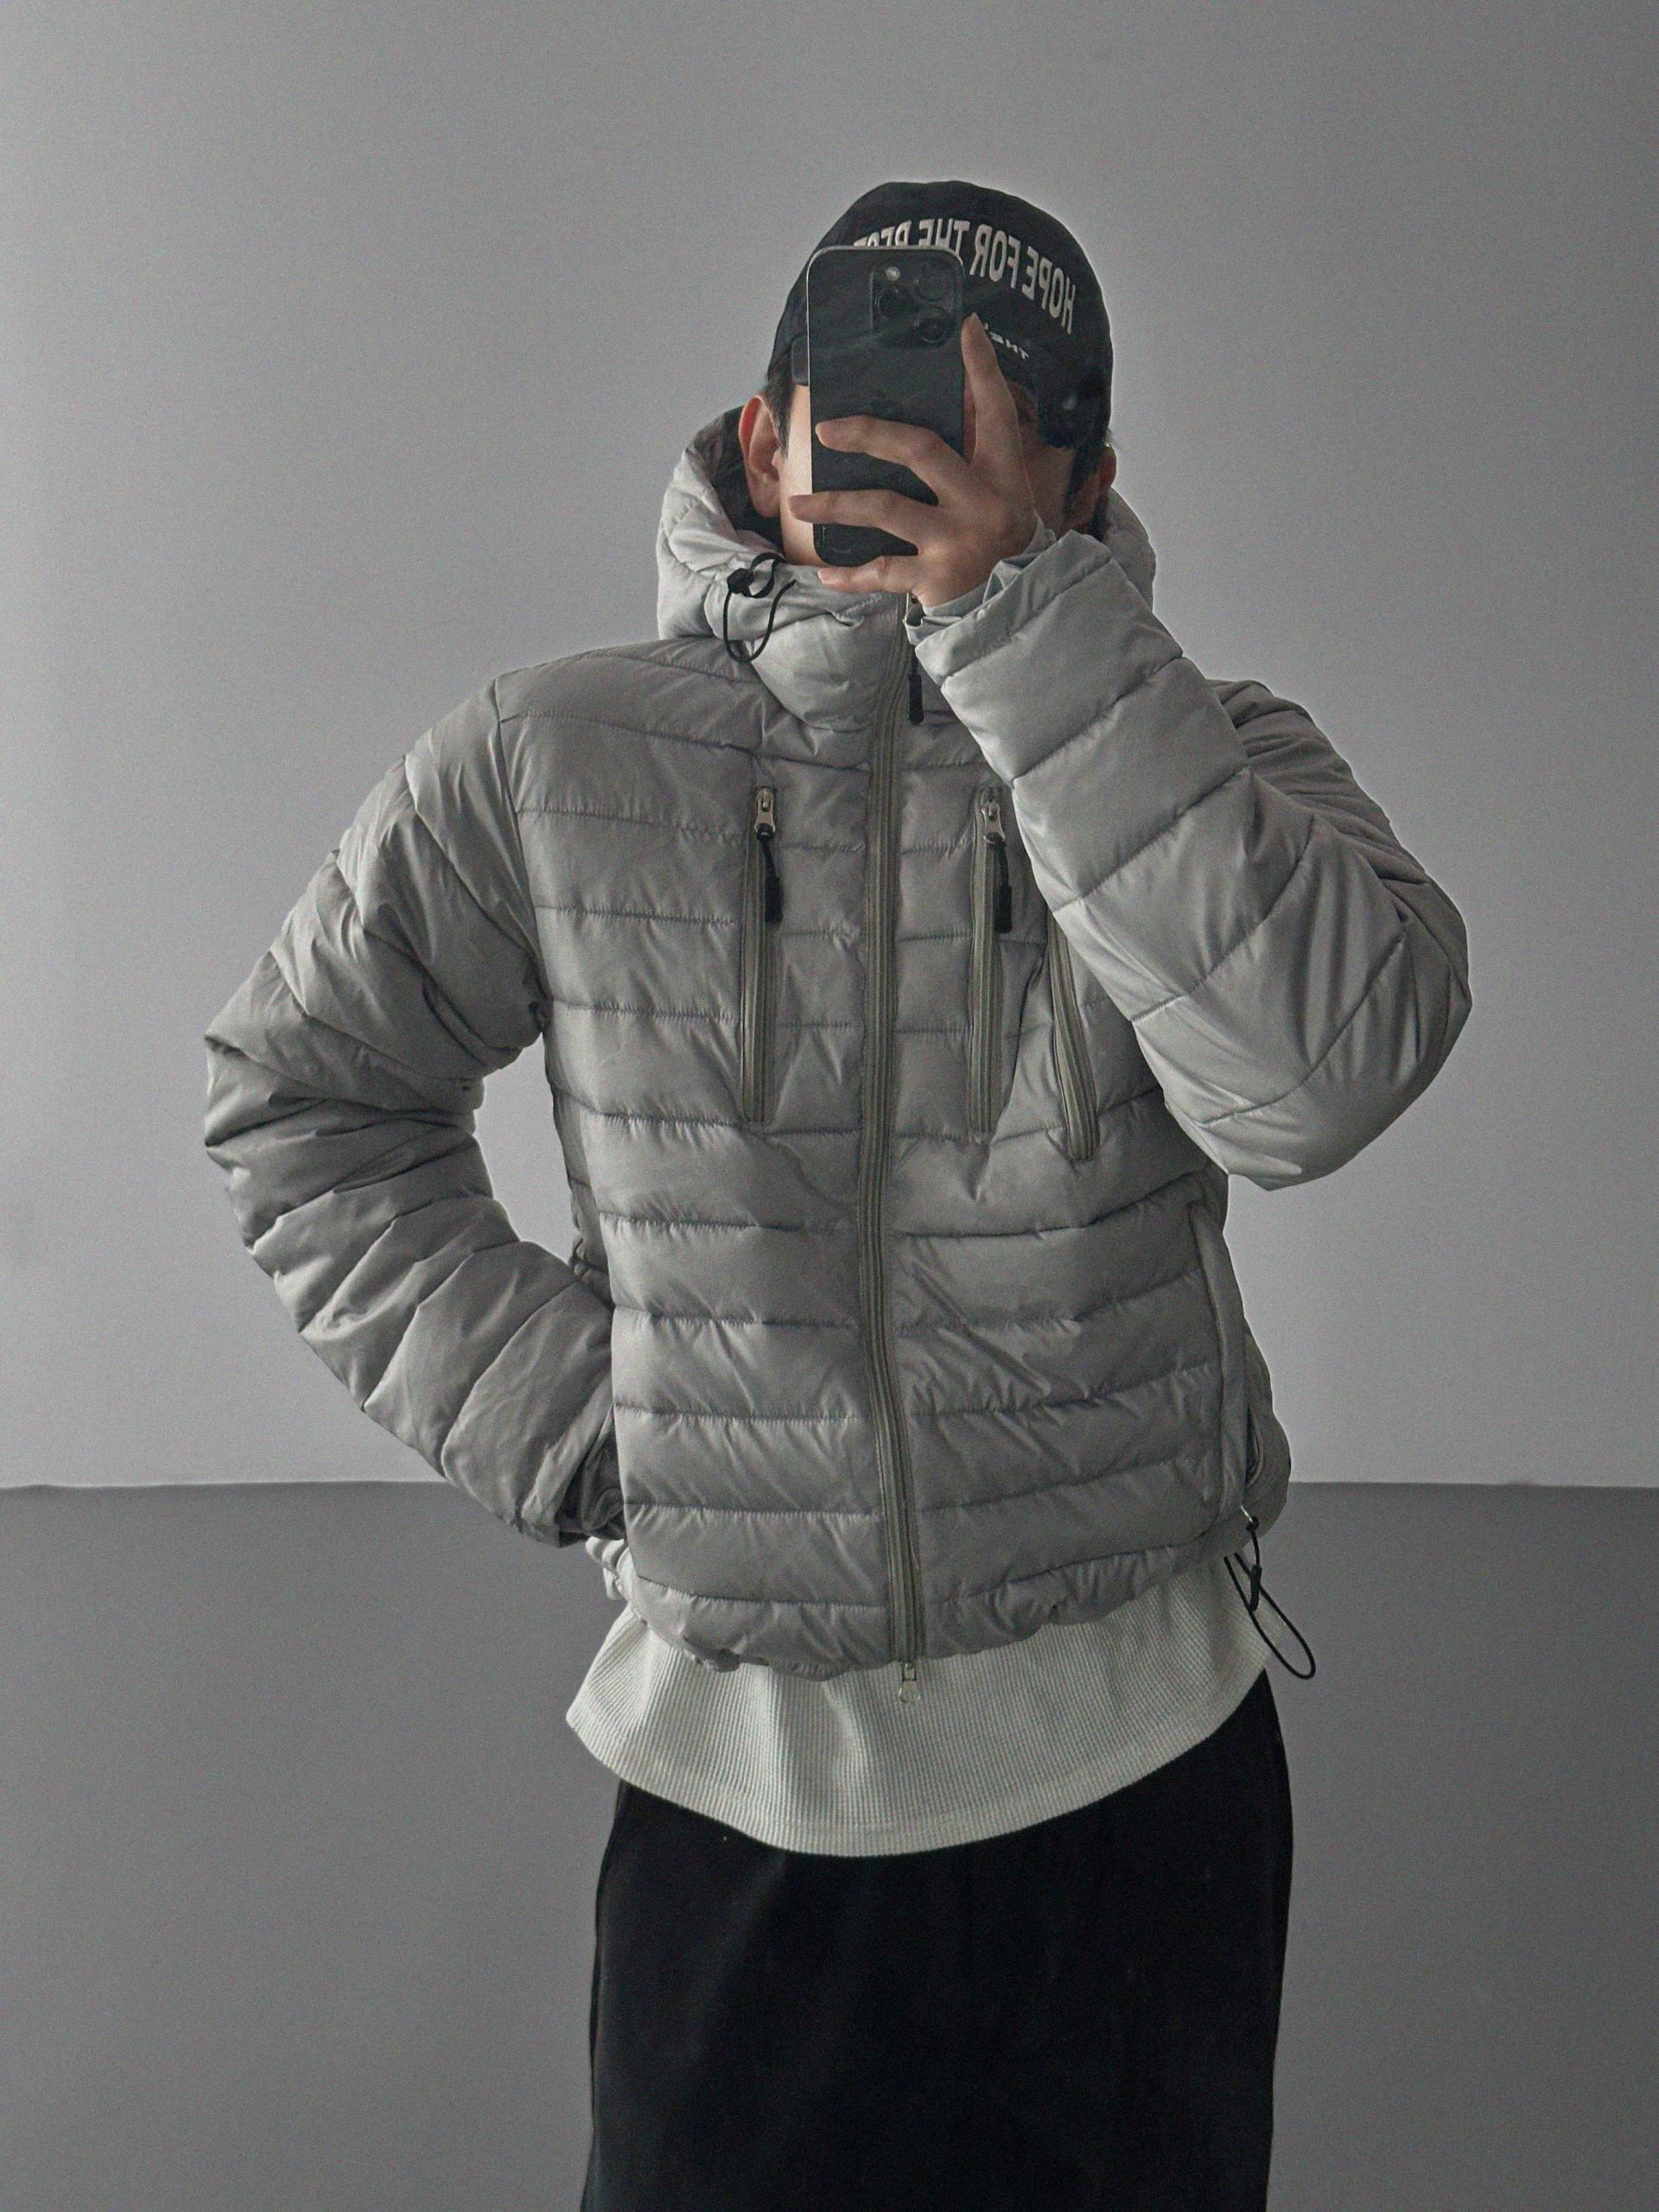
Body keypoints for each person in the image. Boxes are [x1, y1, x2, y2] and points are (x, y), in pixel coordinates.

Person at [202, 178, 1471, 2209]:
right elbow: (300, 1099)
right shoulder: (556, 755)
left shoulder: (1214, 755)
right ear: (763, 427)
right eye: (878, 390)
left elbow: (1320, 1080)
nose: (927, 441)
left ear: (1088, 475)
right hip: (748, 1810)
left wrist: (1029, 635)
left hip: (1149, 1787)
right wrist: (598, 1427)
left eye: (991, 410)